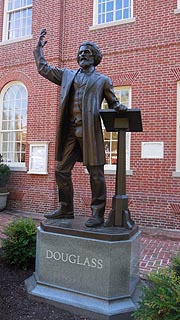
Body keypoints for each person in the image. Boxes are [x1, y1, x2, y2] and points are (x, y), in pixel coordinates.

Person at [33, 29, 127, 227]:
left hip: (90, 133)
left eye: (87, 52)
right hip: (70, 132)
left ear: (95, 57)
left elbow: (113, 102)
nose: (82, 55)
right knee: (61, 170)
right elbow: (44, 69)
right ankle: (66, 208)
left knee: (96, 174)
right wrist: (38, 50)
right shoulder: (67, 75)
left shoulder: (102, 80)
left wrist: (120, 107)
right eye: (80, 52)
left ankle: (97, 213)